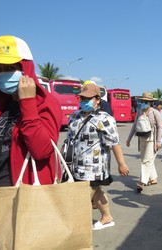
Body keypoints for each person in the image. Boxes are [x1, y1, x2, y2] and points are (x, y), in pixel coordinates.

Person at [0, 36, 62, 194]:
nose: (2, 74)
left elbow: (41, 151)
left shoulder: (45, 103)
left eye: (9, 68)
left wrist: (27, 103)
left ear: (25, 69)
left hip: (30, 196)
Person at [67, 83, 129, 230]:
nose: (84, 101)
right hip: (76, 165)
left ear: (97, 100)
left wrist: (121, 163)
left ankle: (77, 229)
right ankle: (107, 217)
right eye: (81, 98)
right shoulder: (75, 116)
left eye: (87, 98)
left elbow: (114, 142)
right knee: (97, 193)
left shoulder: (104, 118)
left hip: (95, 166)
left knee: (83, 198)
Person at [126, 92, 162, 192]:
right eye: (142, 101)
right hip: (141, 139)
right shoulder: (139, 112)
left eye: (146, 101)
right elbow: (134, 126)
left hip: (152, 140)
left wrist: (159, 141)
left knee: (146, 160)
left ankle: (141, 182)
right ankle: (153, 178)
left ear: (150, 102)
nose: (143, 103)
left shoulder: (155, 113)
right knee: (147, 159)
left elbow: (159, 127)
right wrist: (129, 138)